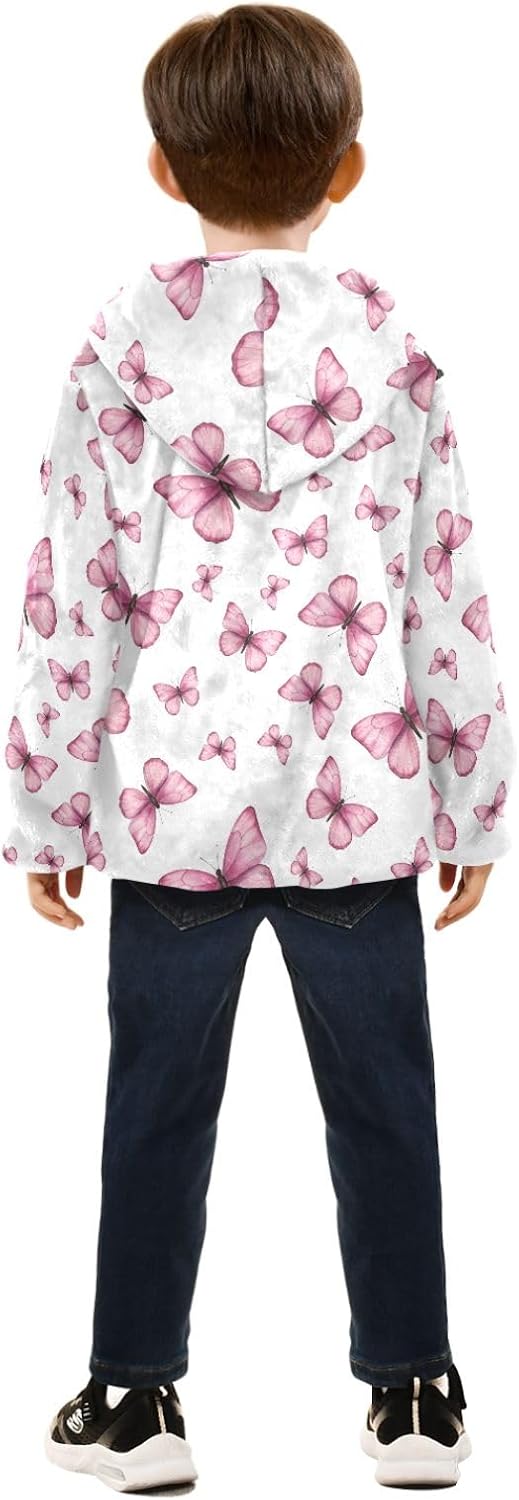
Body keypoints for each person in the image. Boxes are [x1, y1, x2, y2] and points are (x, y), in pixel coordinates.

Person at [2, 5, 516, 1491]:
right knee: (389, 1102)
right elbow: (445, 588)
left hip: (172, 816)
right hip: (363, 802)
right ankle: (416, 1395)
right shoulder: (398, 357)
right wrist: (476, 800)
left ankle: (133, 1399)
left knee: (153, 1107)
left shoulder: (115, 355)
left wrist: (46, 808)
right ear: (347, 170)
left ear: (163, 171)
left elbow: (72, 592)